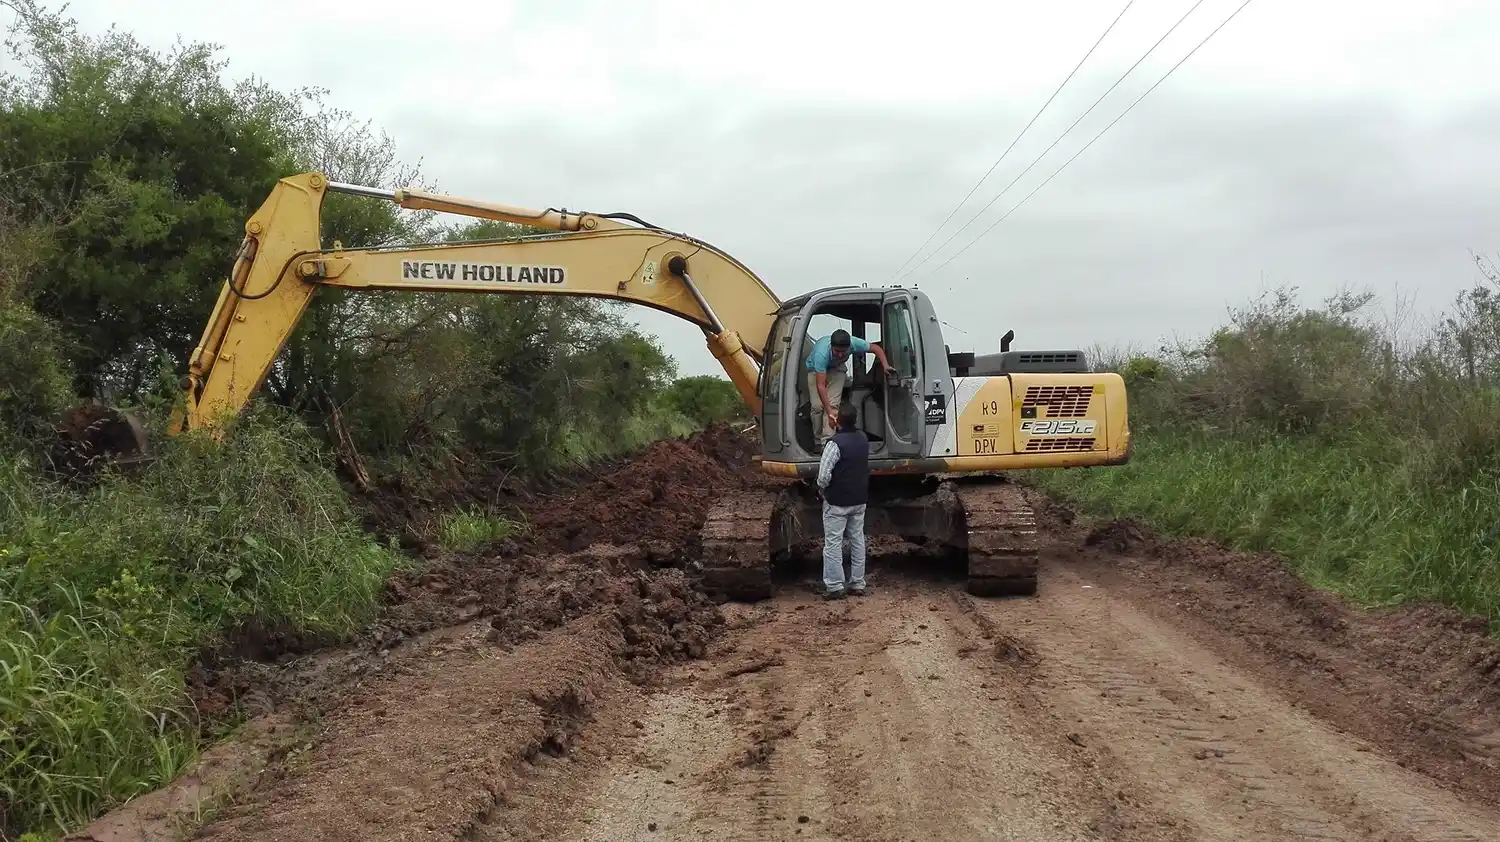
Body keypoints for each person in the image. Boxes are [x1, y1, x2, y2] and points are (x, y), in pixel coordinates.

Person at [815, 403, 870, 600]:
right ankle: (857, 583)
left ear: (836, 421)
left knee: (833, 543)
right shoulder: (863, 439)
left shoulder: (834, 444)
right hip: (859, 500)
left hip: (837, 502)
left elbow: (823, 477)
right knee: (857, 540)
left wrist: (822, 490)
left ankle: (835, 586)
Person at [805, 328, 892, 445]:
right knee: (817, 407)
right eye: (837, 351)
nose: (840, 354)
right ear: (831, 347)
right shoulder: (821, 353)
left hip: (837, 369)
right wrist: (828, 409)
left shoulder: (854, 343)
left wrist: (885, 366)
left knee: (833, 405)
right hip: (816, 371)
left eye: (843, 351)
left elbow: (876, 349)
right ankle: (817, 438)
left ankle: (826, 442)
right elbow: (821, 386)